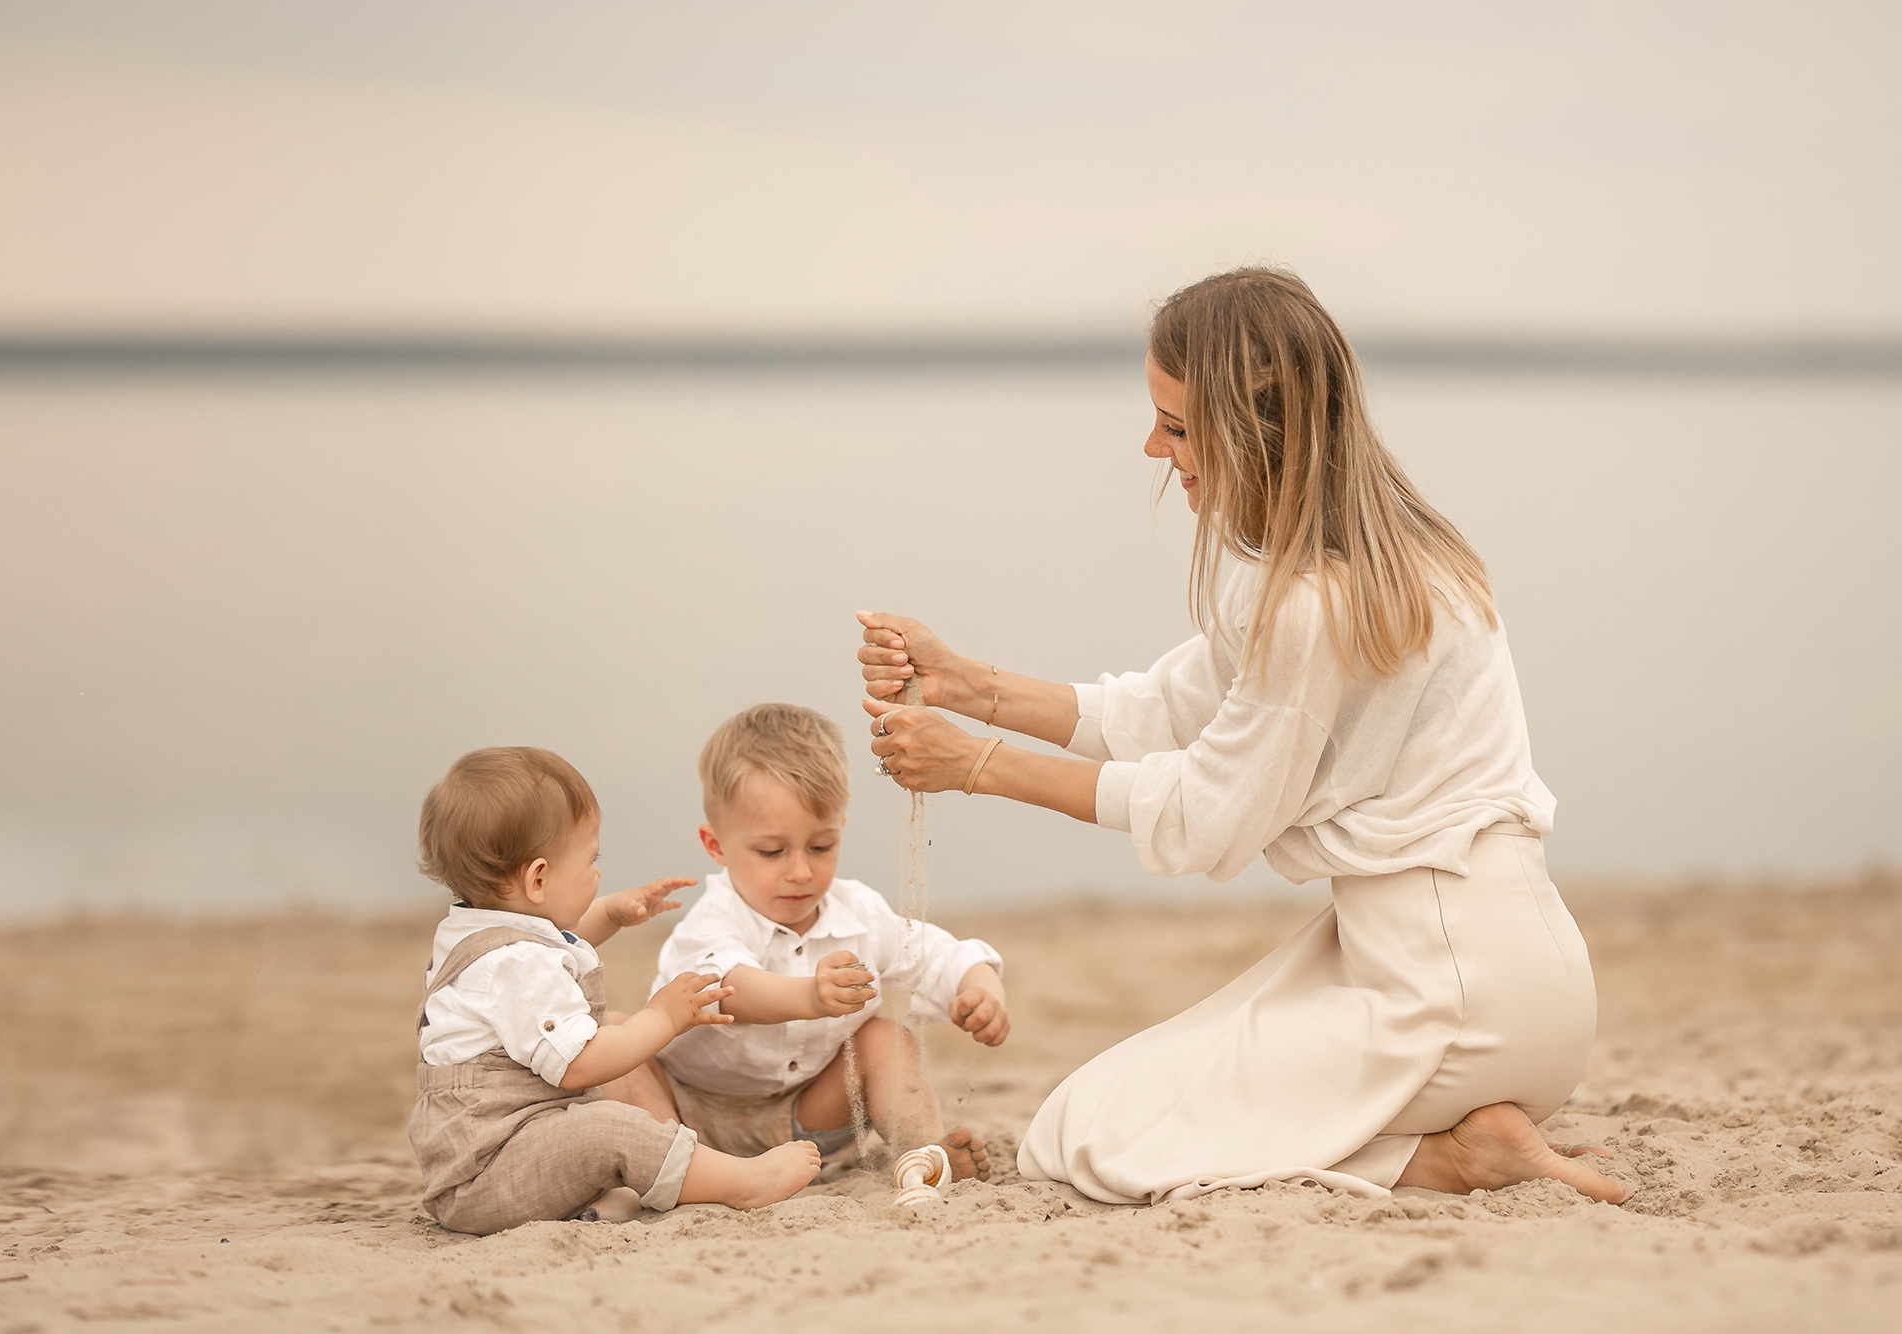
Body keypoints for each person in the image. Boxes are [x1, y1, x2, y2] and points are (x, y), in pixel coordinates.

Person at [855, 267, 1629, 1206]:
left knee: (1078, 1136)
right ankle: (1468, 1135)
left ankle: (1451, 1158)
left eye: (1176, 427)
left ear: (1255, 430)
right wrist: (967, 684)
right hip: (1497, 968)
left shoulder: (1309, 601)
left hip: (1446, 990)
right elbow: (1167, 708)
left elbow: (1208, 817)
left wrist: (979, 766)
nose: (1152, 446)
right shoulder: (1406, 557)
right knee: (1110, 1110)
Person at [409, 746, 821, 1235]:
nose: (599, 872)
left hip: (498, 1155)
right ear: (539, 878)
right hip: (490, 1172)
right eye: (590, 860)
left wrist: (608, 913)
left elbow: (552, 945)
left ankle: (620, 1191)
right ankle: (744, 1182)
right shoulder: (516, 964)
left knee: (619, 1031)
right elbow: (580, 1063)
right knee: (608, 1123)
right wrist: (664, 1017)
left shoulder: (482, 933)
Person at [644, 703, 1005, 1180]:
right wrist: (809, 996)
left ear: (840, 828)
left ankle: (925, 1155)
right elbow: (728, 987)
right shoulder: (713, 921)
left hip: (808, 1120)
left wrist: (979, 988)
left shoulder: (857, 913)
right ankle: (672, 1172)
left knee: (884, 1037)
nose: (800, 871)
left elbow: (935, 954)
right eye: (771, 852)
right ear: (716, 845)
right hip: (686, 1116)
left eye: (821, 846)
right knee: (623, 1044)